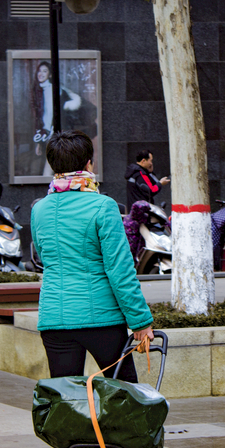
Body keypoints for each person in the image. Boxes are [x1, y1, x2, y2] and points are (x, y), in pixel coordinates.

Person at [31, 131, 155, 397]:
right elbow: (120, 270)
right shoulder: (103, 206)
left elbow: (44, 256)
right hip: (102, 319)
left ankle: (76, 441)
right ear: (89, 163)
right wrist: (141, 321)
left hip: (55, 318)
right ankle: (111, 441)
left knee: (67, 402)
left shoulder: (39, 209)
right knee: (124, 397)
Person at [31, 62, 81, 177]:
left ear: (50, 75)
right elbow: (40, 116)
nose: (41, 74)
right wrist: (39, 139)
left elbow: (50, 113)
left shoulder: (54, 90)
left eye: (45, 71)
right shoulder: (38, 91)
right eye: (39, 71)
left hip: (53, 132)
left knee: (49, 170)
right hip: (47, 133)